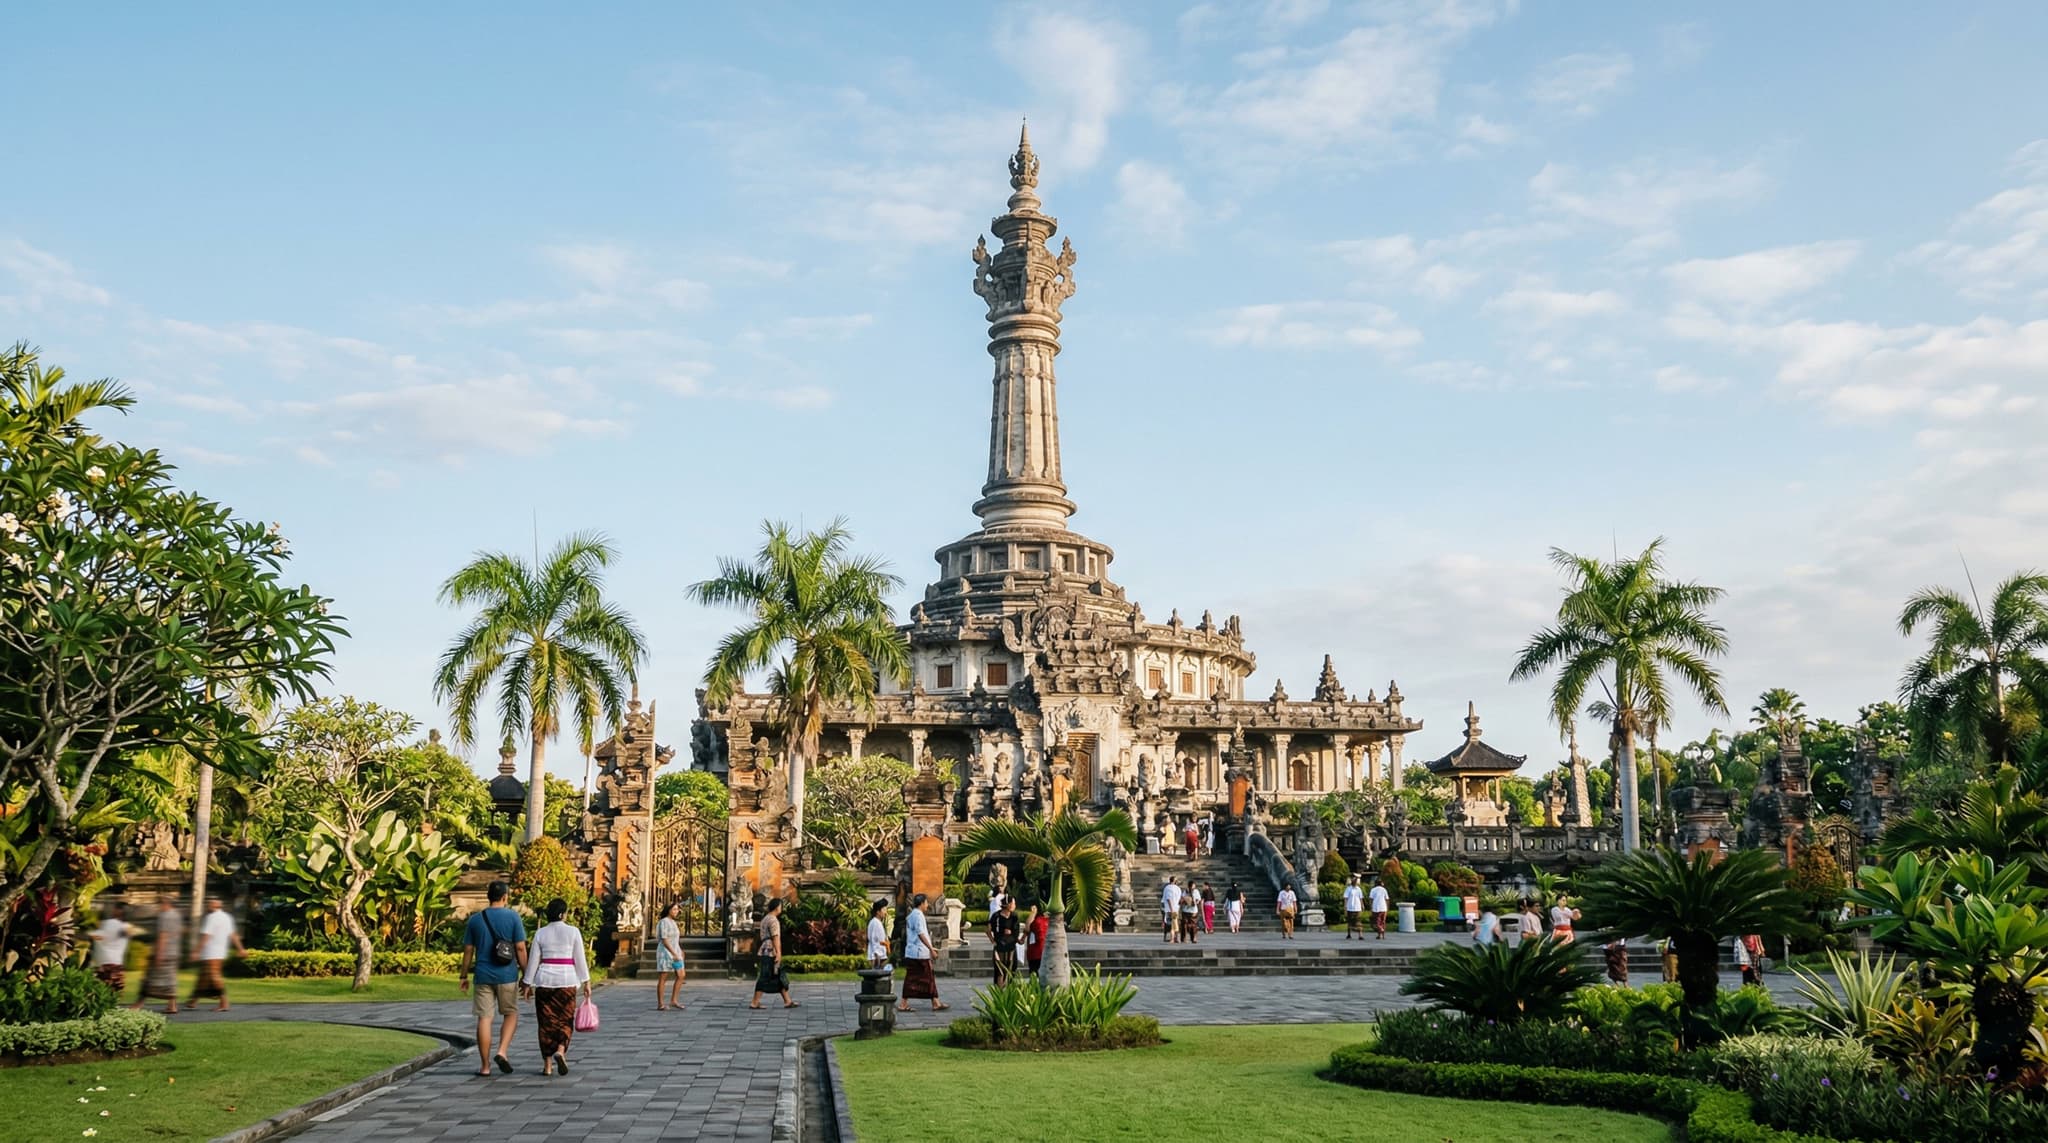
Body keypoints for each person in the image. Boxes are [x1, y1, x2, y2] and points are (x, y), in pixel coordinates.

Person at [461, 879, 529, 1076]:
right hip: (507, 975)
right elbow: (520, 947)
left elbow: (467, 950)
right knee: (511, 1013)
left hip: (482, 975)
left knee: (484, 1018)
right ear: (505, 897)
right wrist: (526, 975)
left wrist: (463, 975)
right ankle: (502, 1051)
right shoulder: (513, 917)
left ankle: (485, 1066)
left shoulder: (475, 919)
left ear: (488, 896)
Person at [520, 897, 591, 1076]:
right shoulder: (573, 931)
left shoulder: (540, 933)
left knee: (545, 1023)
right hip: (567, 980)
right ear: (562, 914)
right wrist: (587, 982)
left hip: (544, 980)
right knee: (565, 1020)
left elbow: (534, 960)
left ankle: (547, 1065)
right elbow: (579, 958)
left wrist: (527, 983)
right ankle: (560, 1050)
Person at [188, 897, 245, 1012]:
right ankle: (193, 1001)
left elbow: (206, 936)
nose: (207, 906)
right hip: (220, 952)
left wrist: (196, 951)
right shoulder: (227, 917)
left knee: (214, 978)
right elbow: (233, 934)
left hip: (210, 952)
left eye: (209, 904)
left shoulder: (211, 918)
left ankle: (224, 1003)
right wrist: (241, 949)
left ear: (213, 906)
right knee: (203, 978)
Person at [897, 894, 948, 1012]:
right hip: (918, 953)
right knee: (925, 977)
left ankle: (934, 1001)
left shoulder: (913, 915)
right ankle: (906, 1003)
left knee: (918, 977)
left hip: (914, 952)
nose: (927, 905)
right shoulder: (918, 915)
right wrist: (931, 949)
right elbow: (921, 934)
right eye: (926, 902)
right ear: (921, 903)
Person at [751, 897, 796, 1009]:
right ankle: (755, 1002)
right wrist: (778, 952)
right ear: (777, 907)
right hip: (771, 950)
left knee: (778, 975)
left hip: (765, 949)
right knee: (765, 975)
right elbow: (775, 937)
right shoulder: (773, 920)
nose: (782, 908)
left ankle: (787, 1001)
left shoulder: (765, 918)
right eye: (781, 906)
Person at [138, 898, 182, 1014]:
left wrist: (159, 954)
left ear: (166, 904)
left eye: (160, 904)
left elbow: (163, 936)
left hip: (163, 952)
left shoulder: (165, 916)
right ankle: (172, 1006)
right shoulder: (177, 915)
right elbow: (178, 932)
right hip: (173, 952)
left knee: (149, 979)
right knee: (170, 980)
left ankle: (139, 1004)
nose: (159, 907)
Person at [88, 902, 140, 998]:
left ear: (118, 911)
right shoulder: (127, 927)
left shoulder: (108, 923)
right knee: (115, 995)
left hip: (102, 964)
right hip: (116, 964)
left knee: (98, 995)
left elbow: (94, 936)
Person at [654, 901, 685, 1011]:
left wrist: (680, 950)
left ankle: (674, 1000)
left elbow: (675, 939)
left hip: (676, 951)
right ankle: (660, 1003)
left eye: (677, 909)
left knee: (681, 975)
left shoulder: (673, 922)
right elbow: (664, 939)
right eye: (674, 909)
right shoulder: (664, 922)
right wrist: (673, 953)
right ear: (668, 910)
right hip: (665, 952)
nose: (676, 912)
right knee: (663, 977)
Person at [988, 897, 1020, 983]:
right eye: (1013, 903)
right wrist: (992, 940)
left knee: (1011, 968)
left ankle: (1010, 988)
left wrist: (1017, 937)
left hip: (1011, 946)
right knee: (999, 970)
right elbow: (988, 930)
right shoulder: (996, 916)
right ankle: (999, 991)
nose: (1014, 905)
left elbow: (1016, 931)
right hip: (999, 946)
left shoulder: (1014, 916)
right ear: (1008, 904)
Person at [865, 899, 891, 970]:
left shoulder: (877, 922)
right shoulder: (875, 923)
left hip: (880, 954)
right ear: (878, 912)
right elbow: (875, 941)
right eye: (884, 910)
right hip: (877, 956)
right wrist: (877, 956)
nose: (885, 912)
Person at [1024, 904, 1048, 976]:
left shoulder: (1038, 921)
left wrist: (1033, 913)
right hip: (1045, 952)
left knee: (1034, 974)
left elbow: (1027, 927)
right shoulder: (1050, 922)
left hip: (1035, 953)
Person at [1161, 876, 1182, 943]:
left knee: (1172, 923)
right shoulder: (1178, 888)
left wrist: (1171, 908)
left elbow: (1168, 899)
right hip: (1176, 908)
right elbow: (1179, 899)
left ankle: (1173, 938)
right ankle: (1175, 938)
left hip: (1170, 909)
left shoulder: (1168, 888)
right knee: (1174, 922)